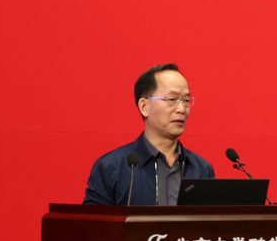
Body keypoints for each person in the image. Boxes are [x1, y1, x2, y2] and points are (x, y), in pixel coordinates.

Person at [83, 63, 215, 205]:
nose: (182, 109)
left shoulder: (202, 169)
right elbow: (94, 219)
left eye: (186, 100)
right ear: (144, 107)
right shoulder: (111, 167)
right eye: (172, 99)